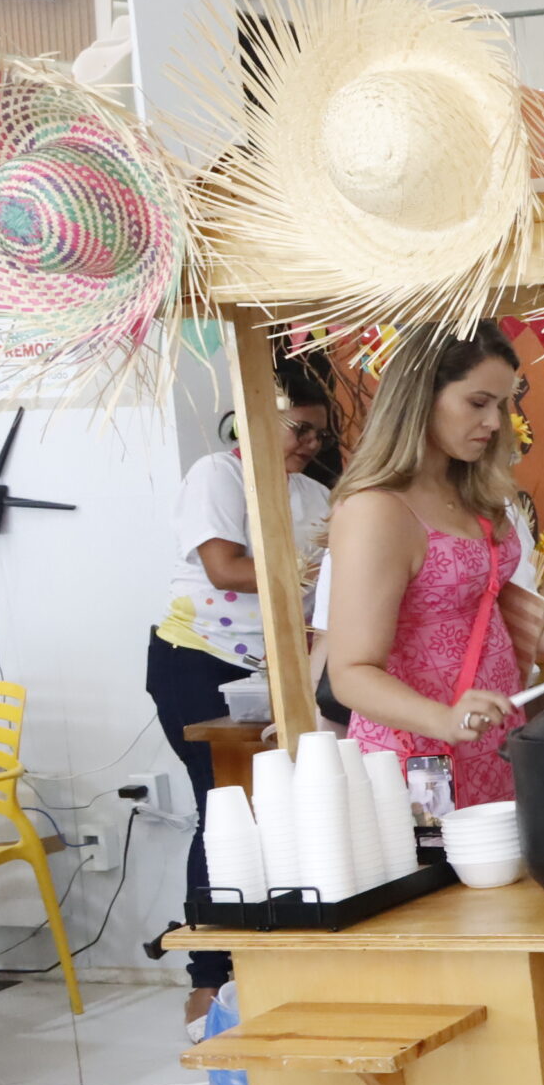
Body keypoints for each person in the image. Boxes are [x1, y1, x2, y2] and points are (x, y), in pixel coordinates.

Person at [323, 325, 544, 806]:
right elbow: (351, 672)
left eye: (500, 405)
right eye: (478, 403)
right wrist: (443, 718)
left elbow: (482, 621)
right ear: (421, 398)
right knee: (442, 878)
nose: (495, 422)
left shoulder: (475, 496)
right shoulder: (377, 511)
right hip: (416, 758)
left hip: (491, 743)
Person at [148, 350, 334, 1023]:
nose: (310, 445)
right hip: (198, 660)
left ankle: (274, 961)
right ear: (252, 423)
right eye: (297, 430)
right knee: (225, 807)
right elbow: (226, 567)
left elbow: (324, 592)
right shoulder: (216, 476)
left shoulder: (315, 497)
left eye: (318, 433)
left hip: (273, 667)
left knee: (277, 807)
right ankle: (209, 978)